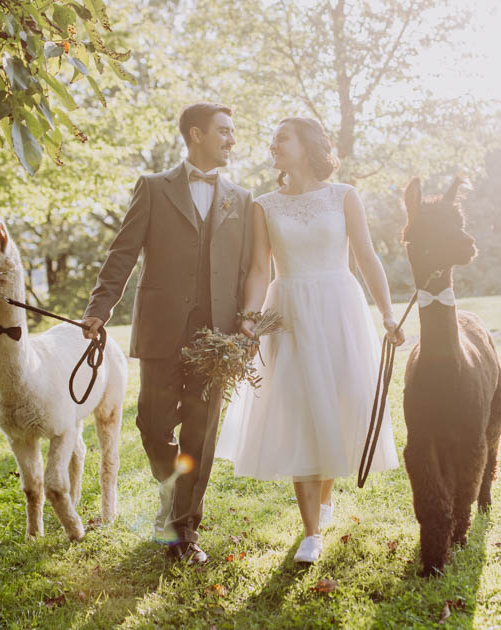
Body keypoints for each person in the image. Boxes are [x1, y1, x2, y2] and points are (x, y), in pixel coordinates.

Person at [215, 117, 404, 564]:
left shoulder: (345, 196)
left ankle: (325, 499)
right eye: (274, 138)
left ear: (307, 145)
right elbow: (261, 269)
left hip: (339, 307)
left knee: (333, 402)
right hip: (289, 311)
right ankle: (311, 533)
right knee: (300, 406)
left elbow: (367, 256)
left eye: (282, 137)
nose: (273, 144)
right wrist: (249, 321)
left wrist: (388, 314)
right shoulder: (265, 205)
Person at [81, 103, 253, 564]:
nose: (232, 140)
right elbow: (123, 253)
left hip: (218, 335)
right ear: (196, 134)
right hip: (161, 329)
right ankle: (172, 495)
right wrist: (100, 308)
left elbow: (248, 271)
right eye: (224, 132)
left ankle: (184, 531)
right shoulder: (154, 189)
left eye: (233, 132)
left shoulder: (242, 199)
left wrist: (247, 323)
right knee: (153, 424)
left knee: (201, 433)